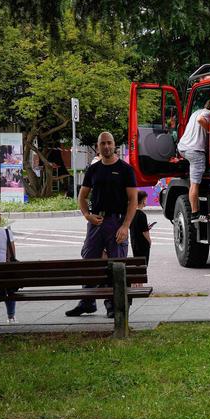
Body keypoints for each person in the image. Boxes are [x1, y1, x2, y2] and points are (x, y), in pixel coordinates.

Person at [66, 131, 138, 318]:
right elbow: (82, 196)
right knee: (89, 262)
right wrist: (87, 215)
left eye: (109, 143)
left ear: (114, 145)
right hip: (96, 223)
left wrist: (125, 226)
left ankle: (114, 305)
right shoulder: (94, 169)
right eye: (102, 143)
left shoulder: (125, 169)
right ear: (98, 146)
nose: (106, 146)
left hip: (117, 222)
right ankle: (87, 302)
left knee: (116, 265)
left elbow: (133, 200)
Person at [177, 98, 210, 223]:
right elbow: (200, 120)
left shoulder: (195, 112)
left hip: (183, 147)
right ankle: (195, 214)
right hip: (195, 151)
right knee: (195, 184)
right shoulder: (208, 113)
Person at [130, 190, 153, 265]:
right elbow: (145, 232)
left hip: (134, 242)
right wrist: (149, 241)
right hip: (142, 244)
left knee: (137, 264)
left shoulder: (131, 213)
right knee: (143, 265)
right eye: (146, 200)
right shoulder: (142, 215)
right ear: (143, 201)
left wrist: (146, 227)